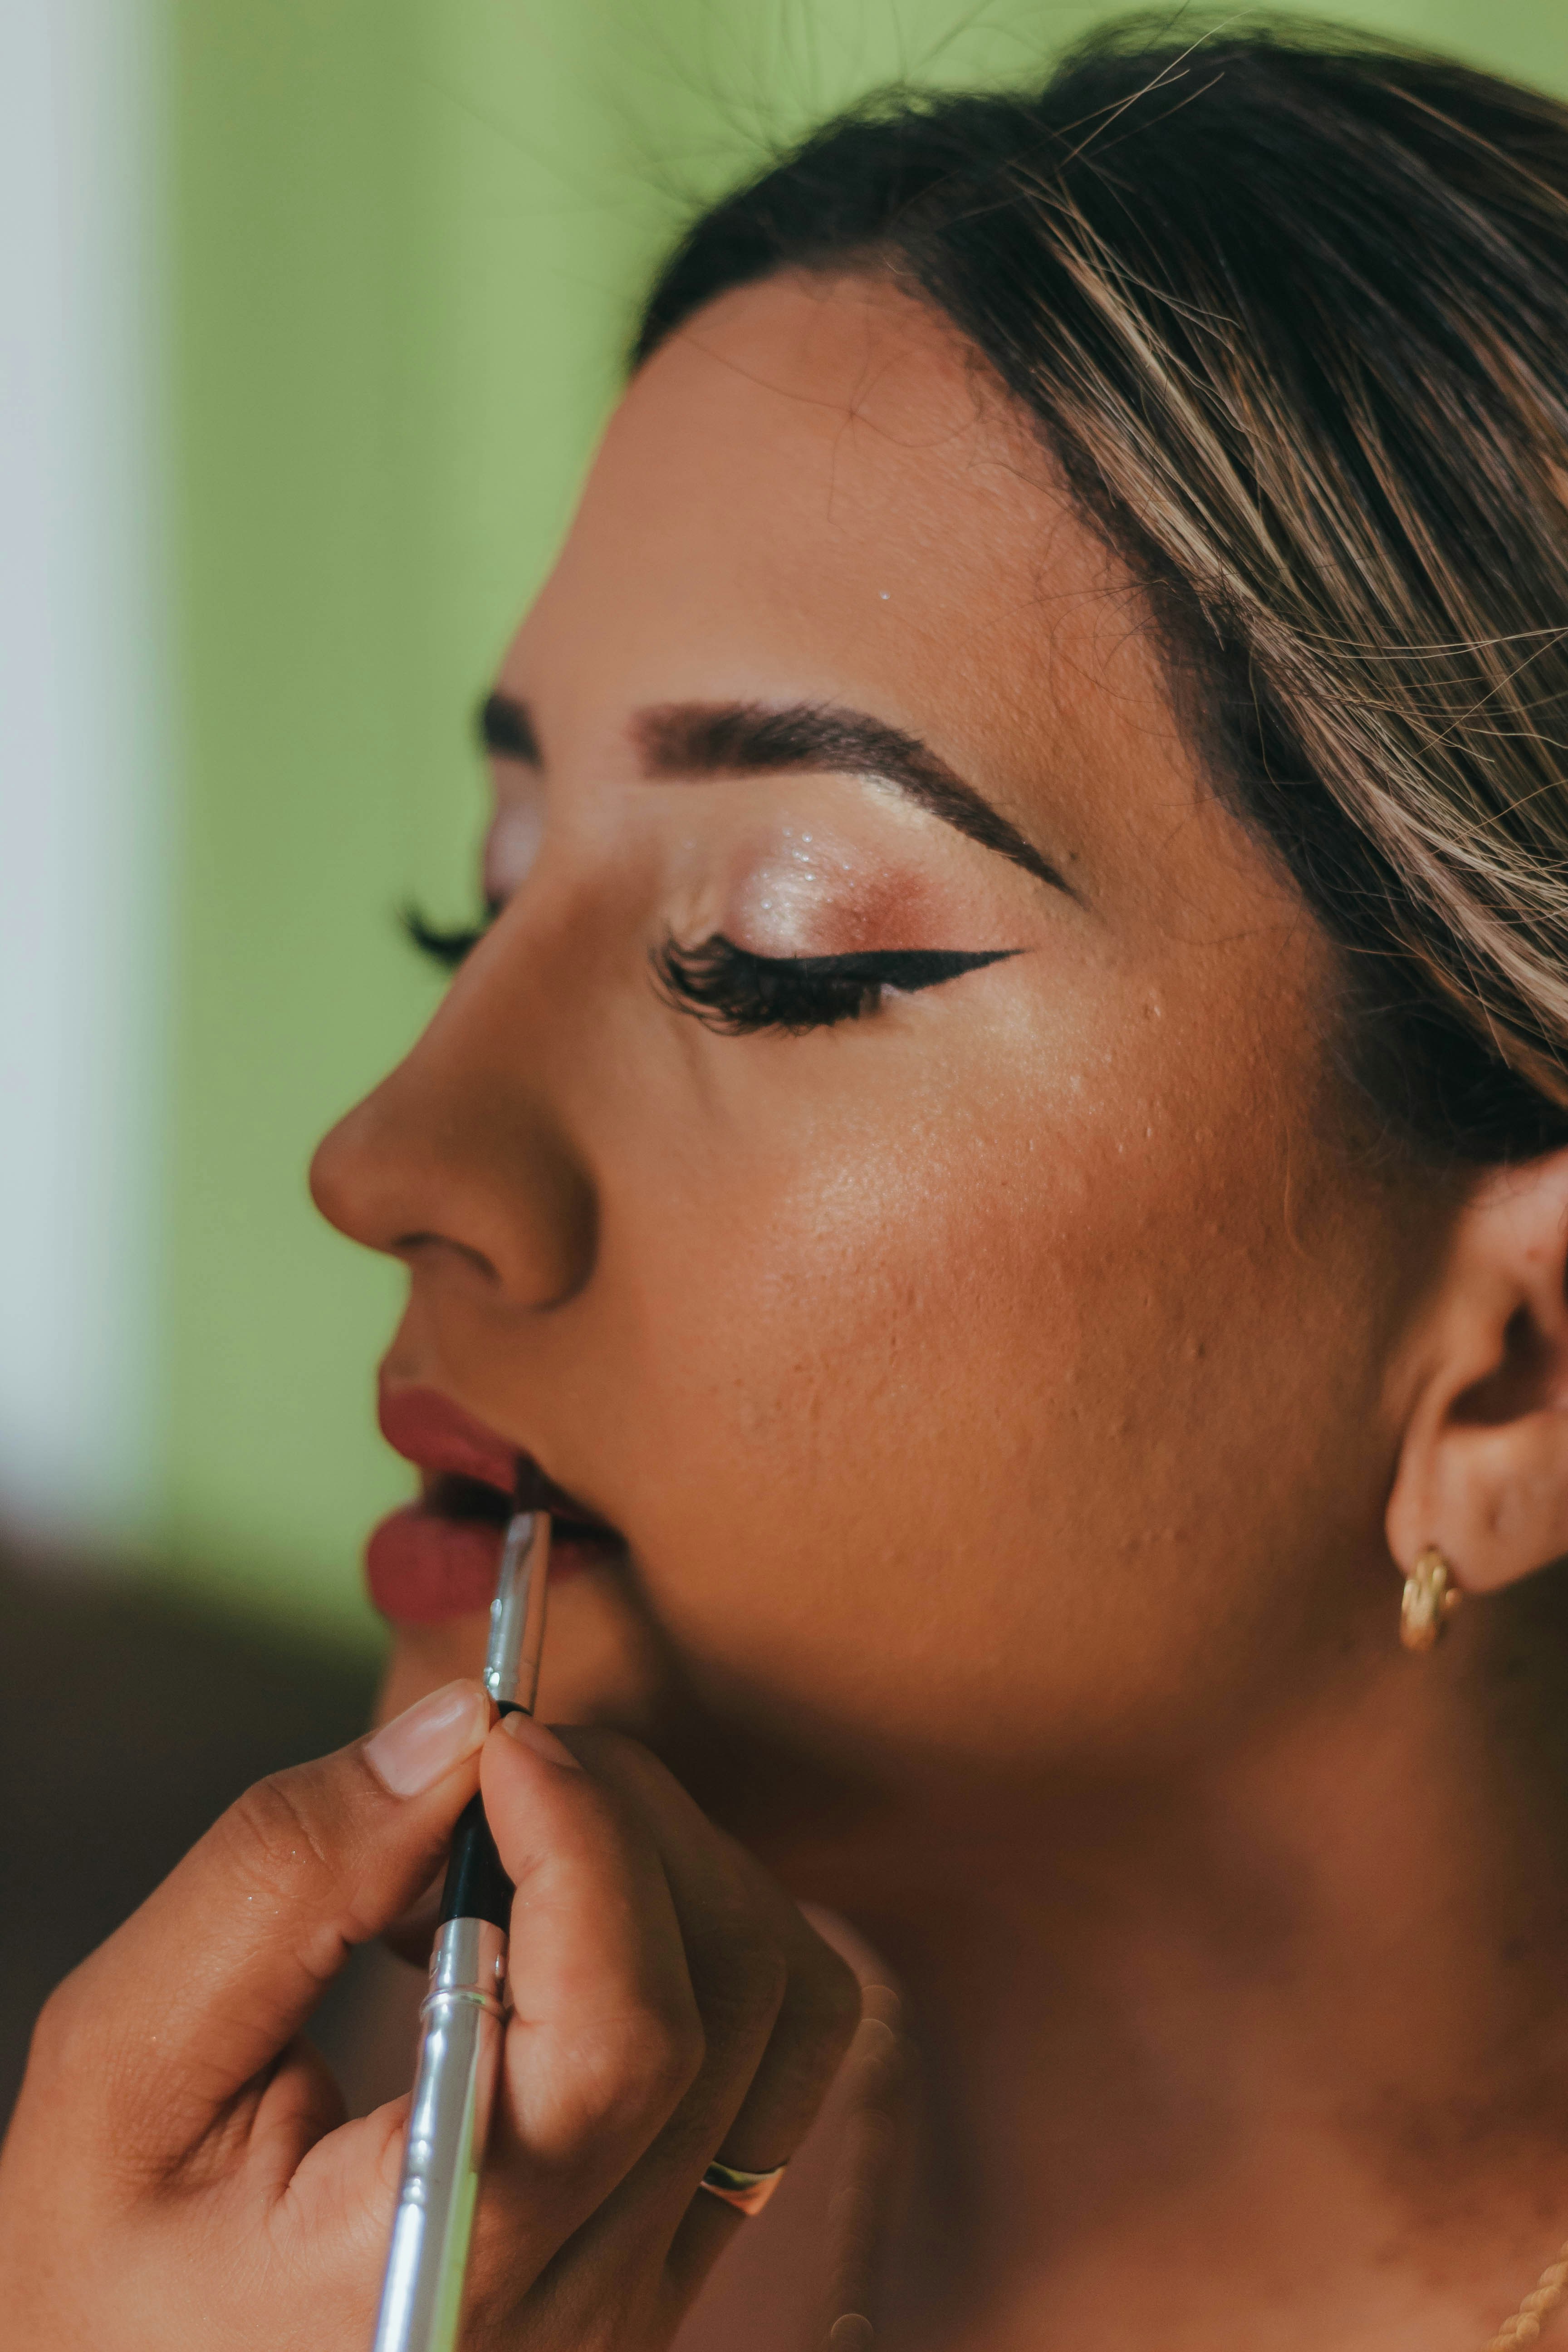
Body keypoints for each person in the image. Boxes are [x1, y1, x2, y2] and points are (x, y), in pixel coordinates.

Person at [9, 18, 1568, 2347]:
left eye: (775, 954)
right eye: (484, 897)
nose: (388, 1161)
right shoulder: (440, 2144)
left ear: (1513, 1376)